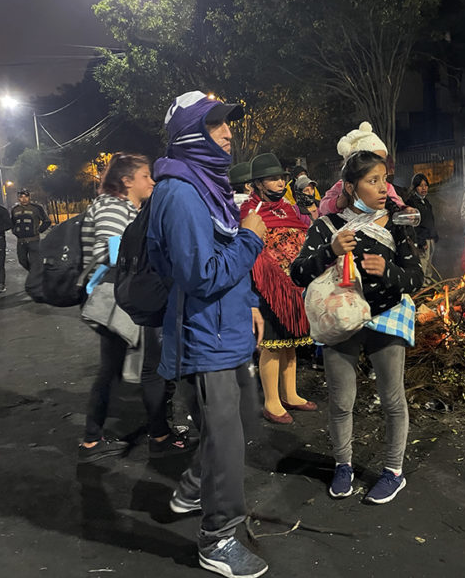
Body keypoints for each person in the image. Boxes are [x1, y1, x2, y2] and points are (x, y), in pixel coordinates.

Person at [146, 91, 269, 578]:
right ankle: (217, 538)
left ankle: (192, 488)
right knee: (226, 439)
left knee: (240, 423)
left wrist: (254, 303)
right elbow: (202, 276)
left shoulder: (206, 186)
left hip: (229, 326)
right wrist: (253, 237)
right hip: (205, 336)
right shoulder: (179, 193)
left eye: (228, 124)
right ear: (191, 134)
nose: (228, 131)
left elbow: (223, 259)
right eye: (216, 124)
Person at [291, 150, 423, 504]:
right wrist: (329, 251)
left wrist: (388, 271)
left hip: (386, 317)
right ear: (351, 187)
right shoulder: (327, 226)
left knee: (392, 399)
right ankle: (343, 465)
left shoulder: (396, 223)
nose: (383, 188)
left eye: (384, 179)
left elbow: (415, 277)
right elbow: (298, 273)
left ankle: (393, 471)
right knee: (341, 401)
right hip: (341, 321)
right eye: (372, 180)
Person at [78, 153, 194, 463]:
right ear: (127, 180)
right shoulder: (113, 208)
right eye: (145, 176)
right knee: (148, 367)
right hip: (117, 300)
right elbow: (119, 253)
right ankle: (153, 435)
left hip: (121, 298)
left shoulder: (125, 207)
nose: (151, 181)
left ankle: (104, 436)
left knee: (126, 368)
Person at [240, 152, 315, 425]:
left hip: (293, 285)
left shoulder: (289, 207)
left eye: (281, 178)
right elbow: (248, 248)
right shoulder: (249, 210)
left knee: (290, 343)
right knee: (271, 344)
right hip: (267, 287)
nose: (280, 183)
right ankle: (271, 402)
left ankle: (290, 394)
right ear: (258, 183)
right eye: (273, 179)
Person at [318, 122, 404, 216]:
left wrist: (405, 210)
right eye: (372, 181)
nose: (382, 189)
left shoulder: (387, 187)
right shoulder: (340, 187)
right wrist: (338, 202)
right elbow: (323, 207)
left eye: (382, 160)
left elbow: (398, 206)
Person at [403, 172, 438, 284]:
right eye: (420, 185)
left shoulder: (426, 202)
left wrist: (434, 236)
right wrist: (421, 241)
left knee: (429, 264)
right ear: (415, 187)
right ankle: (421, 287)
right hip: (422, 239)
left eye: (425, 185)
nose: (424, 188)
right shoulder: (412, 203)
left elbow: (430, 220)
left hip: (430, 238)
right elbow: (413, 225)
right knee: (422, 263)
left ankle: (427, 285)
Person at [10, 189, 51, 271]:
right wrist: (15, 232)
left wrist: (38, 230)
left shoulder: (36, 208)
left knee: (35, 262)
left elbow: (47, 221)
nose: (24, 199)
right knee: (22, 261)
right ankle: (34, 273)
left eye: (26, 196)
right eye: (21, 197)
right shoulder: (15, 209)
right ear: (18, 198)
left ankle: (36, 276)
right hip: (21, 241)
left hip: (34, 241)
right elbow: (12, 223)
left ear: (29, 197)